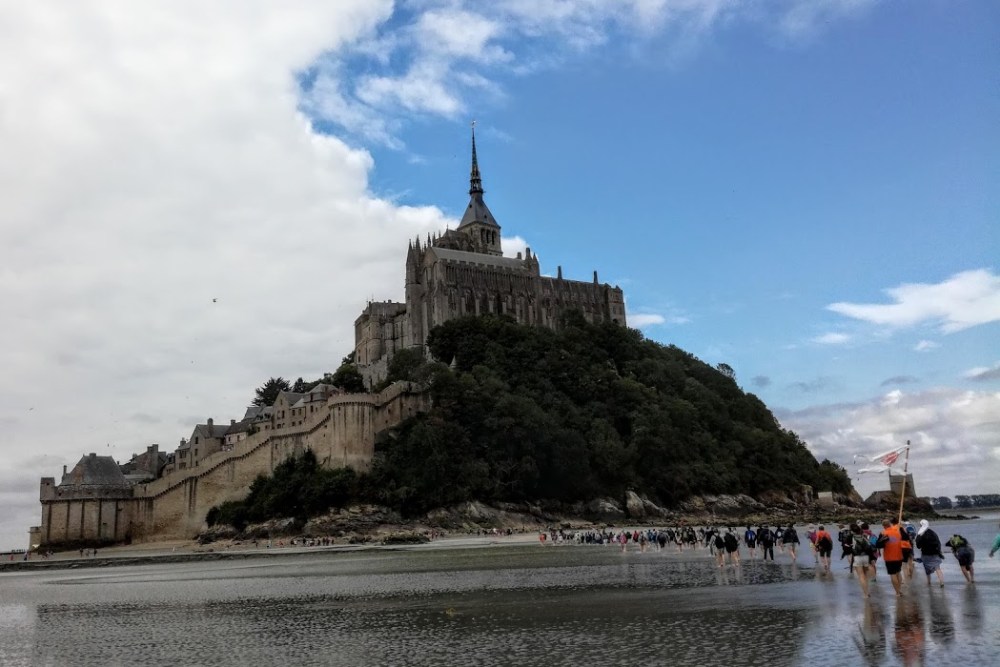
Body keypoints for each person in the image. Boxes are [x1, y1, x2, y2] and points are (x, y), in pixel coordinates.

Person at [878, 519, 906, 596]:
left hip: (889, 557)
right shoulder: (897, 532)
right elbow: (905, 538)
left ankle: (897, 592)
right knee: (898, 573)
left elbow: (878, 545)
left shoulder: (883, 533)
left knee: (893, 574)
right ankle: (899, 589)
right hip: (899, 555)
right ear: (890, 524)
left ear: (883, 526)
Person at [914, 519, 945, 586]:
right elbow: (938, 543)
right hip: (935, 553)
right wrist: (939, 552)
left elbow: (918, 546)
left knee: (927, 569)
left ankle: (929, 582)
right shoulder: (933, 533)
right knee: (937, 568)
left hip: (925, 554)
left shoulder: (920, 534)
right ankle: (941, 582)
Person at [850, 523, 875, 597]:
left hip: (857, 557)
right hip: (866, 557)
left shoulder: (851, 537)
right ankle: (868, 591)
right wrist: (872, 558)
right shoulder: (864, 536)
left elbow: (849, 547)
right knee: (866, 576)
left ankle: (865, 594)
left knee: (861, 576)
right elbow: (869, 548)